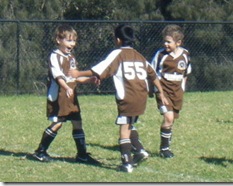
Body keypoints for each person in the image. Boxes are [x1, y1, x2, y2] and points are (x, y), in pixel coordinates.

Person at [68, 24, 168, 173]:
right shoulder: (139, 55)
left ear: (118, 40)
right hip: (141, 96)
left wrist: (78, 74)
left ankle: (126, 163)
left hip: (128, 97)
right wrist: (161, 93)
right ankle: (140, 151)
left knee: (123, 129)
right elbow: (153, 74)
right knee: (130, 125)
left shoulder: (118, 54)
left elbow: (100, 69)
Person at [33, 24, 99, 164]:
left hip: (71, 95)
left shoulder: (71, 57)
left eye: (74, 40)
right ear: (58, 40)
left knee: (77, 122)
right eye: (69, 40)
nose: (72, 44)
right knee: (58, 123)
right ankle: (40, 151)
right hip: (60, 95)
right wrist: (66, 87)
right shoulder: (54, 56)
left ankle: (82, 154)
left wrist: (90, 79)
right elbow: (58, 76)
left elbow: (75, 77)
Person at [150, 24, 192, 158]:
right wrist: (154, 89)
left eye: (169, 42)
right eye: (164, 41)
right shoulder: (160, 54)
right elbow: (151, 72)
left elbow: (186, 73)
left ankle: (166, 144)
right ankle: (164, 149)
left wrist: (182, 88)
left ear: (178, 42)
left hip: (177, 92)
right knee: (168, 117)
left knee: (171, 120)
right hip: (163, 90)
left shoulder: (185, 55)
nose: (165, 44)